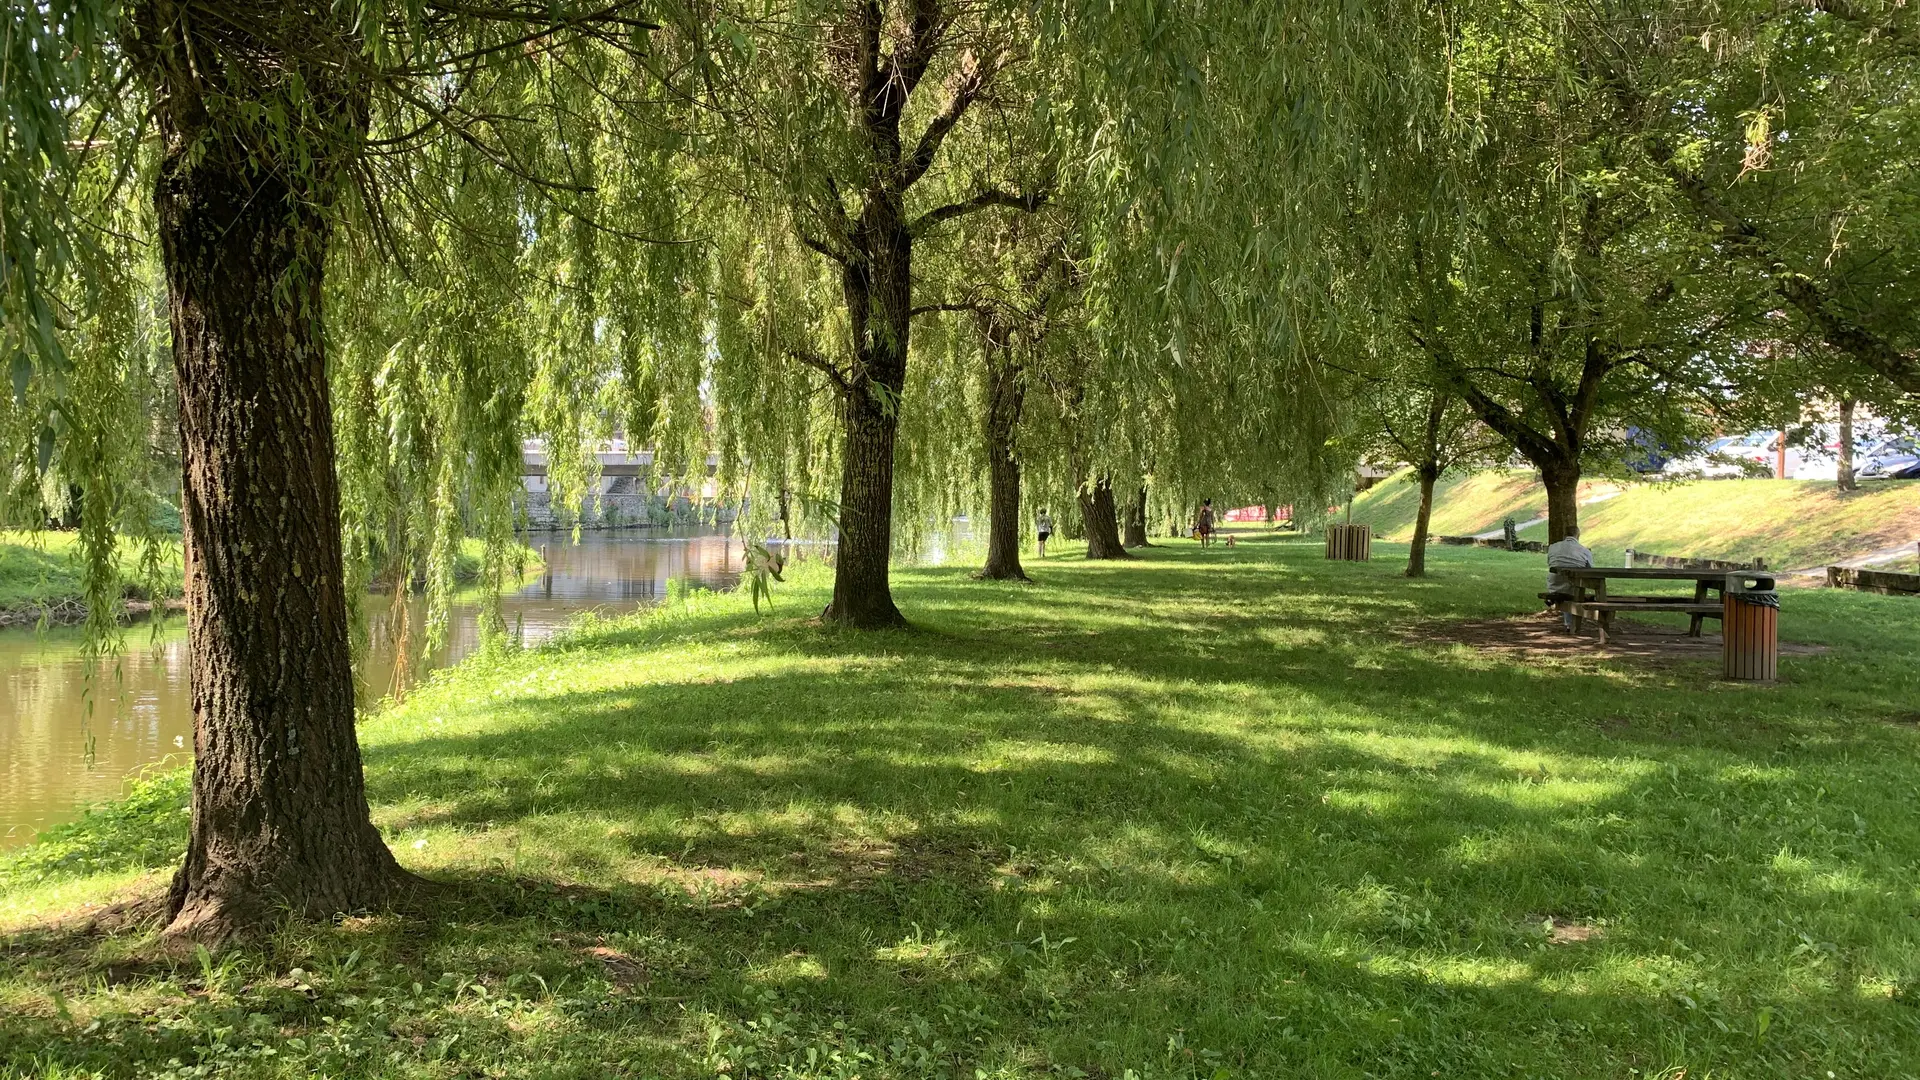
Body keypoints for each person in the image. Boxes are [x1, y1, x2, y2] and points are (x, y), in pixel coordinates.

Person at [1545, 525, 1594, 630]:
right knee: (1574, 588)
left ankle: (1569, 624)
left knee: (1567, 586)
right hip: (1573, 587)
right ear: (1578, 536)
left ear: (1564, 535)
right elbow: (1590, 570)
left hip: (1554, 584)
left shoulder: (1552, 547)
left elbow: (1550, 563)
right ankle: (1572, 625)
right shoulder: (1585, 551)